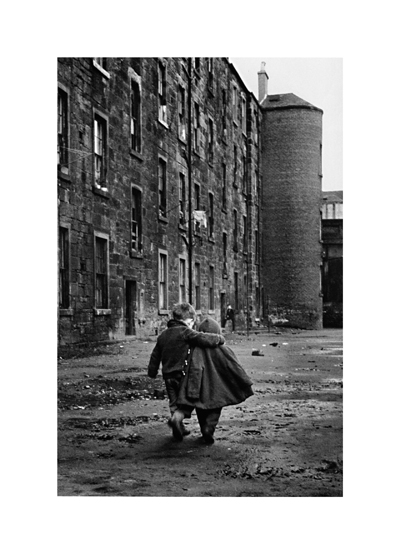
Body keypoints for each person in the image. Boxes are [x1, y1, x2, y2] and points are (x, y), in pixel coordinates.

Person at [147, 303, 225, 441]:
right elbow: (203, 338)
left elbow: (155, 356)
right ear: (189, 320)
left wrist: (152, 372)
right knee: (186, 403)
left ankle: (178, 426)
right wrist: (218, 339)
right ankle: (177, 420)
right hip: (183, 374)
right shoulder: (185, 332)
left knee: (174, 402)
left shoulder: (163, 335)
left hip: (168, 376)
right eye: (192, 322)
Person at [177, 317, 254, 444]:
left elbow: (193, 368)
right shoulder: (223, 349)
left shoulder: (196, 349)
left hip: (202, 387)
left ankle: (204, 429)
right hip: (219, 387)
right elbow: (234, 365)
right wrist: (244, 380)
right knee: (215, 410)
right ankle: (209, 429)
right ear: (218, 332)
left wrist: (191, 387)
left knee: (201, 409)